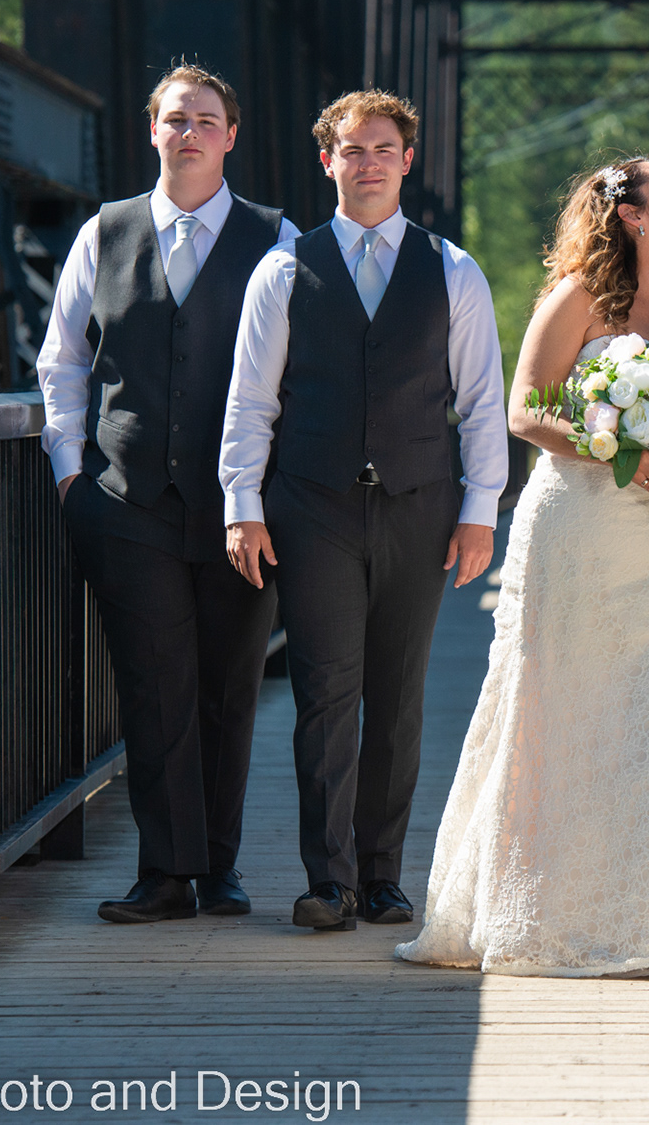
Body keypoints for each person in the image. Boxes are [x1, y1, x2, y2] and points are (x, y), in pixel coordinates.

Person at [395, 157, 649, 977]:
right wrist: (614, 445)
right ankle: (541, 911)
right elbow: (526, 408)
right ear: (633, 217)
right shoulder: (580, 299)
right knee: (559, 710)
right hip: (578, 525)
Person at [219, 89, 507, 933]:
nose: (370, 162)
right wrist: (243, 503)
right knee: (326, 694)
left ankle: (384, 874)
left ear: (407, 160)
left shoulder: (453, 270)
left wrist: (480, 509)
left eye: (385, 149)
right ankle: (328, 880)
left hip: (420, 508)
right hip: (312, 509)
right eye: (353, 149)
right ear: (328, 160)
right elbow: (250, 403)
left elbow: (483, 403)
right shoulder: (282, 269)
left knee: (399, 695)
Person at [37, 64, 297, 923]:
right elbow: (64, 361)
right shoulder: (104, 234)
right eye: (175, 118)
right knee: (153, 685)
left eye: (206, 119)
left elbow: (303, 369)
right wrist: (70, 471)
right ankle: (166, 871)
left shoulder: (277, 238)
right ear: (153, 130)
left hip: (239, 510)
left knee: (228, 685)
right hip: (125, 497)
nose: (189, 131)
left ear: (230, 137)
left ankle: (218, 867)